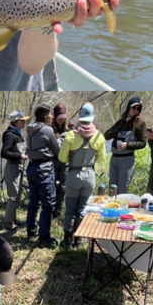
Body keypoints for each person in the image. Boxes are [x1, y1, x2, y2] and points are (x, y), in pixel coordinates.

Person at [58, 102, 107, 249]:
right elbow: (101, 159)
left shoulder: (71, 136)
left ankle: (67, 241)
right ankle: (78, 240)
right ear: (92, 117)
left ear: (80, 116)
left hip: (74, 175)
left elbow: (62, 158)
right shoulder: (99, 136)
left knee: (70, 210)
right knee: (82, 209)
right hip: (90, 176)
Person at [25, 105, 59, 248]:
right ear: (45, 116)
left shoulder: (29, 129)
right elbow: (56, 151)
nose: (52, 117)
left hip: (31, 167)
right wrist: (58, 140)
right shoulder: (48, 129)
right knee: (48, 204)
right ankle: (44, 237)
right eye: (50, 114)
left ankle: (31, 230)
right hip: (44, 169)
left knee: (33, 201)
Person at [104, 96, 147, 195]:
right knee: (112, 189)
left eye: (138, 108)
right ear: (128, 107)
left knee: (122, 190)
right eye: (134, 107)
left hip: (127, 160)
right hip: (114, 158)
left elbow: (143, 143)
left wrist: (127, 145)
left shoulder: (140, 123)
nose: (135, 110)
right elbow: (106, 135)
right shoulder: (121, 121)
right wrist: (117, 129)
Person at [0, 110, 28, 230]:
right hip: (12, 168)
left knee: (17, 195)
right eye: (23, 121)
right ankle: (8, 223)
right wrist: (19, 156)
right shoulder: (10, 135)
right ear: (16, 121)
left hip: (19, 167)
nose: (25, 123)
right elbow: (4, 153)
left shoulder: (18, 133)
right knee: (13, 196)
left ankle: (13, 219)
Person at [52, 103, 70, 219]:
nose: (61, 121)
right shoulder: (49, 129)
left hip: (64, 162)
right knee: (51, 186)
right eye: (59, 118)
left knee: (62, 187)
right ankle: (50, 210)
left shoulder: (67, 130)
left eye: (63, 119)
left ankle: (57, 212)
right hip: (53, 161)